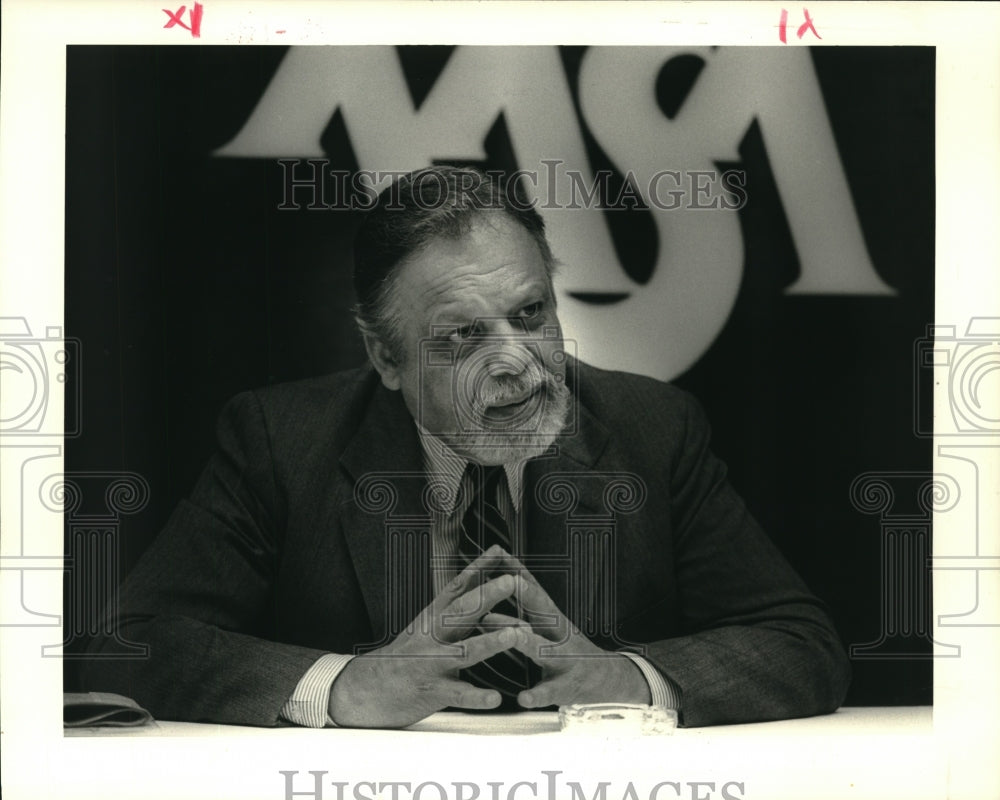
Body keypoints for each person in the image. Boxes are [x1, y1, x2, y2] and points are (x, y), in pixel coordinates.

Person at [80, 166, 851, 729]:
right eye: (463, 335)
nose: (515, 361)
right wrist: (347, 688)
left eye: (530, 313)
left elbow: (802, 646)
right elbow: (125, 645)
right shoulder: (281, 441)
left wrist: (628, 680)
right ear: (385, 358)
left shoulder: (654, 428)